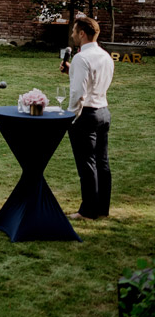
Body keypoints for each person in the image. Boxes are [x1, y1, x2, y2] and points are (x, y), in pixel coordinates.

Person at [63, 16, 114, 220]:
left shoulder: (81, 58)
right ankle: (102, 208)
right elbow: (95, 83)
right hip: (103, 111)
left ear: (82, 33)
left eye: (75, 31)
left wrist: (72, 116)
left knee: (87, 164)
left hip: (86, 115)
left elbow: (78, 93)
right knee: (102, 162)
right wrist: (71, 72)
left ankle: (87, 211)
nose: (73, 35)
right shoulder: (106, 56)